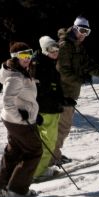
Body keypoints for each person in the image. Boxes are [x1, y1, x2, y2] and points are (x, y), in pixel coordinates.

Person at [54, 16, 99, 163]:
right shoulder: (65, 46)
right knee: (62, 126)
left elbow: (87, 64)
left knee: (63, 126)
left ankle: (54, 154)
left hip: (70, 93)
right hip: (62, 94)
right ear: (75, 28)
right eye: (82, 30)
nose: (83, 34)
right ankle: (52, 157)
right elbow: (62, 71)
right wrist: (80, 80)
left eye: (87, 32)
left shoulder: (76, 45)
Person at [0, 41, 43, 197]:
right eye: (23, 56)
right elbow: (7, 101)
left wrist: (34, 114)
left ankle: (1, 188)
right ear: (15, 58)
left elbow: (23, 98)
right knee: (35, 151)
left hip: (14, 120)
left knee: (14, 152)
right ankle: (17, 190)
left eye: (30, 54)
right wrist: (21, 117)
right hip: (18, 122)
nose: (28, 58)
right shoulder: (16, 77)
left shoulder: (21, 71)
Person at [31, 35, 64, 178]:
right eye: (51, 49)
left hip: (51, 108)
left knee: (47, 141)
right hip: (45, 110)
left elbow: (53, 88)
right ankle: (38, 172)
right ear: (45, 50)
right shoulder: (38, 66)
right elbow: (36, 91)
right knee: (48, 142)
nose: (55, 52)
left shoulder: (48, 63)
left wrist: (63, 99)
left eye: (57, 48)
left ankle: (36, 169)